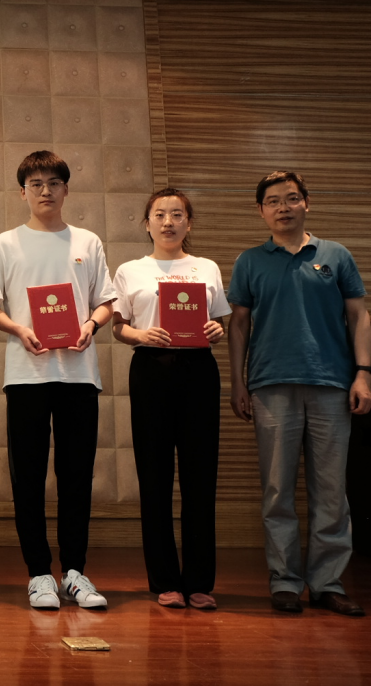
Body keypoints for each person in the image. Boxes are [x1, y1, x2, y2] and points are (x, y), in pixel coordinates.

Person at [227, 171, 371, 617]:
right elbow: (239, 325)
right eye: (273, 201)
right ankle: (285, 582)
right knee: (277, 490)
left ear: (306, 202)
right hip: (271, 385)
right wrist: (237, 382)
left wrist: (363, 374)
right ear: (261, 211)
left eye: (291, 198)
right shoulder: (250, 261)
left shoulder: (335, 255)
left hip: (332, 385)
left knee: (332, 491)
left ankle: (327, 583)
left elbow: (358, 315)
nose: (283, 207)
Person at [0, 150, 116, 610]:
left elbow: (106, 301)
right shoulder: (4, 244)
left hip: (79, 374)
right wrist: (19, 329)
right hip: (26, 375)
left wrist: (90, 325)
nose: (45, 191)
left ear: (66, 189)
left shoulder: (87, 241)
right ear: (22, 192)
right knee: (29, 477)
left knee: (77, 475)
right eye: (35, 184)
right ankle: (39, 573)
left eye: (54, 183)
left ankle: (75, 572)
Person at [112, 188, 229, 610]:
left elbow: (218, 322)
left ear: (188, 223)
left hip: (198, 371)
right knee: (154, 476)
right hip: (151, 370)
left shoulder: (206, 267)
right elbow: (118, 326)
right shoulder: (130, 270)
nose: (168, 222)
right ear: (146, 224)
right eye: (159, 214)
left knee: (200, 476)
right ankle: (164, 579)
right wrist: (140, 334)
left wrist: (216, 330)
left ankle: (198, 580)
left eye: (177, 214)